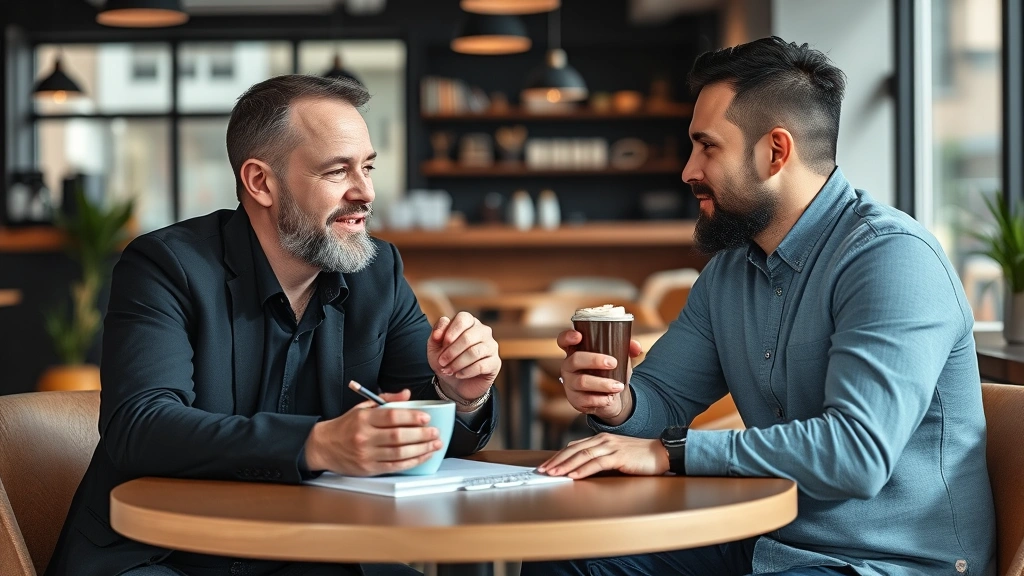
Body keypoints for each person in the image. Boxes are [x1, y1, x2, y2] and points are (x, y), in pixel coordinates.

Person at [522, 37, 996, 576]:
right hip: (768, 544)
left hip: (888, 562)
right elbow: (663, 398)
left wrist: (675, 453)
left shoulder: (891, 259)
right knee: (566, 558)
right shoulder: (731, 271)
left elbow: (857, 454)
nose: (687, 170)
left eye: (707, 147)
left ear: (775, 151)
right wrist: (616, 402)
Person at [46, 75, 500, 576]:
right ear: (260, 182)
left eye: (368, 167)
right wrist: (319, 443)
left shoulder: (379, 272)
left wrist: (460, 393)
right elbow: (140, 426)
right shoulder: (165, 266)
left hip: (308, 552)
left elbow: (431, 433)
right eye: (337, 171)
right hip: (160, 554)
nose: (366, 192)